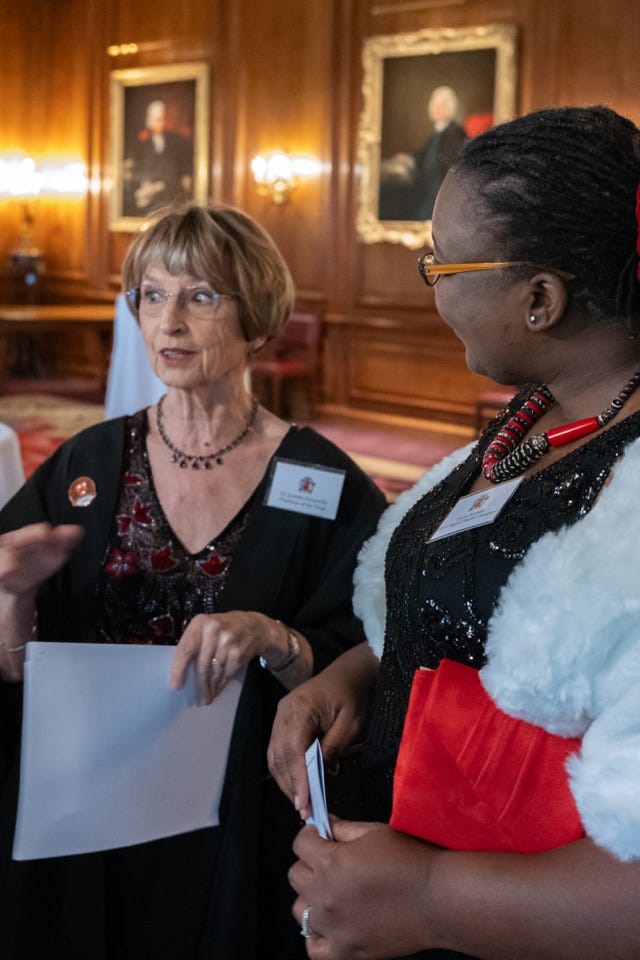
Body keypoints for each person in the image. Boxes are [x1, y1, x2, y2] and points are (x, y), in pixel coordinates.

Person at [268, 105, 640, 959]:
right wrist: (359, 676)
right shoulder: (536, 417)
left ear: (540, 299)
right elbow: (469, 607)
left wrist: (430, 898)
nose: (430, 280)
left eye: (441, 261)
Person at [0, 203, 387, 959]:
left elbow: (370, 657)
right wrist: (12, 596)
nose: (169, 320)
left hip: (238, 820)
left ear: (257, 316)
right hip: (86, 806)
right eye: (150, 294)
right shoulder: (87, 462)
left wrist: (273, 638)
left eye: (201, 295)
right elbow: (16, 668)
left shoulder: (322, 479)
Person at [379, 85, 466, 222]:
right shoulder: (435, 135)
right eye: (435, 104)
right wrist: (408, 160)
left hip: (441, 194)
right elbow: (421, 158)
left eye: (442, 105)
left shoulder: (454, 133)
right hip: (427, 190)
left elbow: (454, 167)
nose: (437, 108)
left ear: (450, 108)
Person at [123, 99, 194, 217]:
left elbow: (183, 172)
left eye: (162, 119)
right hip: (150, 201)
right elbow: (135, 170)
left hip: (171, 195)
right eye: (157, 119)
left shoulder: (177, 142)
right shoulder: (142, 146)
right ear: (149, 120)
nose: (160, 123)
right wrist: (146, 184)